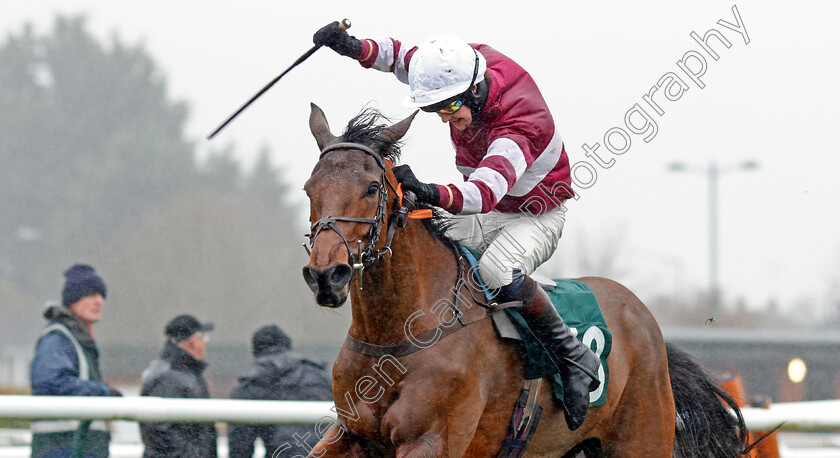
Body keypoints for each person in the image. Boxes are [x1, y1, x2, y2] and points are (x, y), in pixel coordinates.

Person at [313, 23, 601, 430]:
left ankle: (573, 356)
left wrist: (427, 189)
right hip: (490, 206)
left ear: (476, 89)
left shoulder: (521, 121)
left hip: (535, 213)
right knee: (410, 231)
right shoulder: (454, 66)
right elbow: (397, 56)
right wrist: (351, 46)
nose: (448, 118)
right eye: (436, 110)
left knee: (496, 271)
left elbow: (481, 195)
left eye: (451, 108)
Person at [29, 264, 121, 458]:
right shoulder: (58, 338)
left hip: (77, 448)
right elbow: (50, 382)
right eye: (91, 295)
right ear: (73, 301)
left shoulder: (75, 337)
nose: (99, 301)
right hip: (63, 449)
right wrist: (102, 392)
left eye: (102, 295)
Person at [227, 325, 332, 458]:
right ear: (288, 346)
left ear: (256, 351)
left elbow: (240, 445)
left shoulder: (251, 382)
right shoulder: (320, 374)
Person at [139, 314, 217, 457]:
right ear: (193, 340)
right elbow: (159, 431)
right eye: (204, 338)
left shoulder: (185, 373)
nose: (205, 344)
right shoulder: (171, 376)